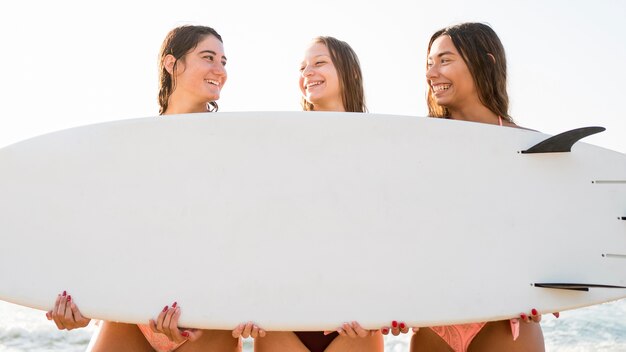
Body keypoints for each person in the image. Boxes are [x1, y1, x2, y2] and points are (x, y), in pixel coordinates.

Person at [46, 25, 264, 352]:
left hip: (208, 318)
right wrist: (81, 304)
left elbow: (243, 233)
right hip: (133, 315)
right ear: (171, 64)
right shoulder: (134, 145)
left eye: (223, 61)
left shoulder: (232, 144)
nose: (220, 70)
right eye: (208, 57)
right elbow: (107, 230)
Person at [404, 22, 548, 352]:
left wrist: (549, 290)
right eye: (429, 63)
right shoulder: (416, 148)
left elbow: (547, 229)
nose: (432, 73)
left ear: (485, 62)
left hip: (506, 317)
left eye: (445, 60)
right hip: (435, 318)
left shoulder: (527, 147)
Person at [253, 36, 382, 352]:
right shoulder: (280, 145)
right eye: (302, 67)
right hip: (282, 314)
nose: (308, 72)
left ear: (350, 72)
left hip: (355, 319)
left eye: (319, 63)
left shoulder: (379, 144)